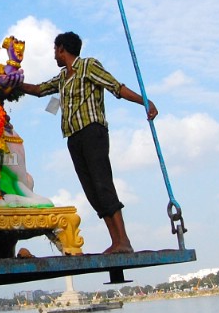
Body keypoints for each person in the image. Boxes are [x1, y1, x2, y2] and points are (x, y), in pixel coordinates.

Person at [16, 31, 158, 255]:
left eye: (55, 50)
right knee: (92, 191)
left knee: (103, 184)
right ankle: (116, 241)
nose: (54, 55)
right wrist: (14, 83)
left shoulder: (88, 66)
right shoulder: (62, 78)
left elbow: (116, 87)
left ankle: (124, 240)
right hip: (73, 137)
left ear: (62, 49)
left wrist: (145, 101)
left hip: (93, 132)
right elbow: (39, 90)